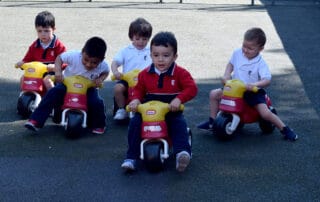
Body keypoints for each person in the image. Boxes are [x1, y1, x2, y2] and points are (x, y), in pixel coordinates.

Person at [197, 27, 298, 141]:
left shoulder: (260, 63)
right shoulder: (237, 53)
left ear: (260, 49)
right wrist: (226, 75)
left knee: (264, 113)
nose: (245, 50)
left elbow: (267, 80)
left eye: (250, 48)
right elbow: (230, 64)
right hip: (234, 89)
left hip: (252, 92)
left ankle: (285, 129)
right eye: (244, 46)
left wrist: (255, 84)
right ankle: (212, 121)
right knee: (214, 94)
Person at [121, 31, 198, 172]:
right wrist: (136, 100)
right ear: (150, 55)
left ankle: (182, 152)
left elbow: (191, 88)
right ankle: (131, 157)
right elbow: (137, 89)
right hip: (148, 111)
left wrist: (179, 99)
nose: (160, 60)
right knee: (134, 123)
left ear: (175, 56)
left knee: (178, 123)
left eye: (166, 55)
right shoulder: (144, 74)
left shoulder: (180, 73)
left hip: (170, 109)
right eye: (156, 55)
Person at [24, 36, 109, 135]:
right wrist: (58, 72)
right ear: (82, 52)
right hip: (67, 84)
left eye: (94, 63)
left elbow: (106, 72)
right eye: (86, 60)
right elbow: (59, 58)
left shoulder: (103, 65)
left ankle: (99, 125)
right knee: (52, 93)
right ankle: (36, 120)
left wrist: (100, 79)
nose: (89, 64)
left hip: (88, 88)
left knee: (96, 102)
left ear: (101, 60)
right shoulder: (74, 56)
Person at [111, 17, 153, 121]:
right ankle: (122, 109)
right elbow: (115, 62)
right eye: (137, 39)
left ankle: (151, 109)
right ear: (131, 37)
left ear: (148, 38)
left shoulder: (151, 51)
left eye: (144, 39)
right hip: (127, 79)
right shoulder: (126, 50)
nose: (141, 42)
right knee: (118, 88)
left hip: (146, 80)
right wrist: (116, 71)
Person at [16, 10, 66, 90]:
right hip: (37, 72)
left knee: (47, 80)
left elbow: (65, 62)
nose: (43, 34)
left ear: (53, 29)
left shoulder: (58, 46)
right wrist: (22, 63)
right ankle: (25, 97)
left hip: (53, 73)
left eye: (46, 31)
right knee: (23, 78)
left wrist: (55, 67)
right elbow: (28, 58)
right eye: (39, 31)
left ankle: (52, 99)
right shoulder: (35, 45)